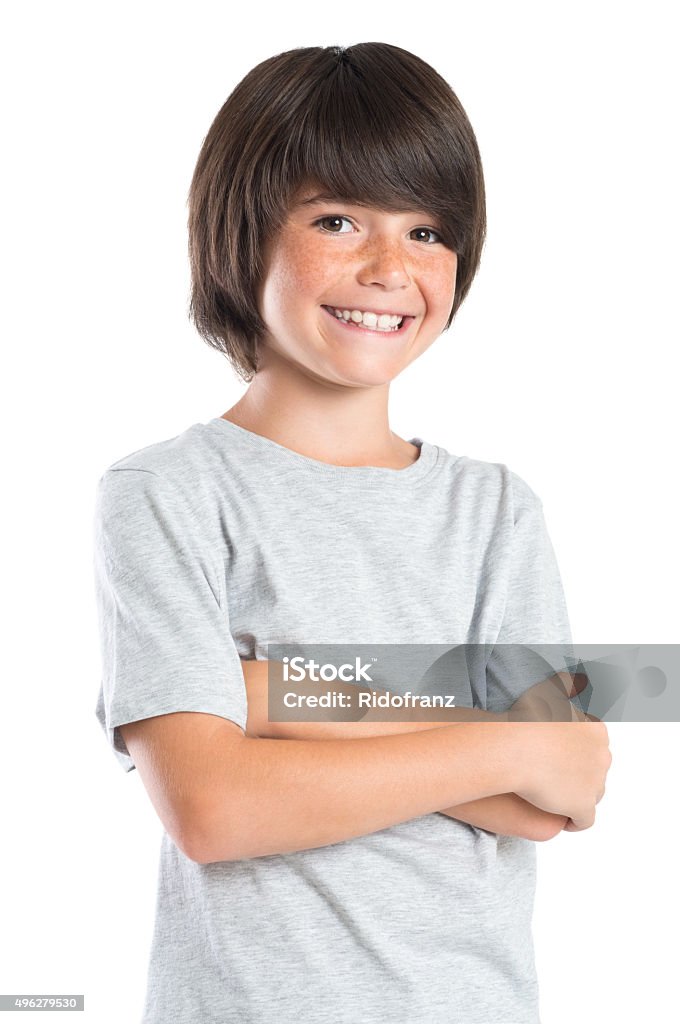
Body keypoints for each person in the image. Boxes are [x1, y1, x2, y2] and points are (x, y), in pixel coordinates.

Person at [92, 42, 611, 1024]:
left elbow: (559, 789)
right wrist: (486, 734)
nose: (387, 268)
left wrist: (261, 692)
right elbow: (215, 809)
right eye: (336, 219)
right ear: (240, 235)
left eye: (425, 231)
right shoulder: (165, 492)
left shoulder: (496, 511)